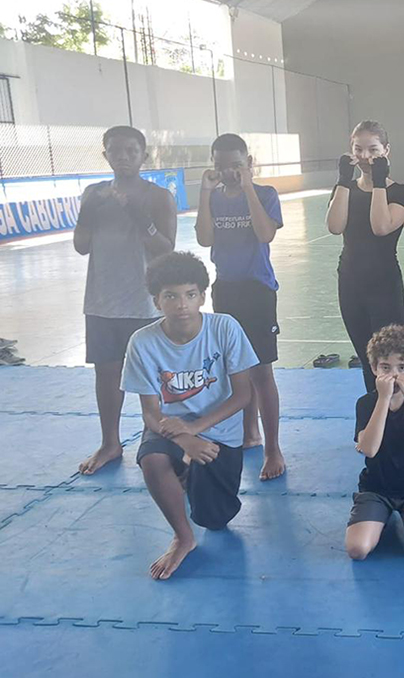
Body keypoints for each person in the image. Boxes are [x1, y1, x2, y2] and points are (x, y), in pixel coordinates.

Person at [121, 252, 258, 579]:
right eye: (171, 296)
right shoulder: (142, 342)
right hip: (169, 429)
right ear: (156, 301)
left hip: (217, 430)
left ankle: (184, 473)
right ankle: (183, 537)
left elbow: (243, 395)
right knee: (152, 459)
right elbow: (150, 413)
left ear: (202, 296)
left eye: (190, 294)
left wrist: (196, 430)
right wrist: (186, 440)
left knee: (216, 519)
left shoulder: (225, 328)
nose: (181, 304)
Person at [75, 125, 177, 476]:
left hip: (145, 302)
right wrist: (88, 213)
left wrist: (139, 217)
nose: (123, 157)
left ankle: (167, 444)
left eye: (131, 151)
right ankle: (110, 442)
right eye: (116, 151)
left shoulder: (158, 197)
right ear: (106, 155)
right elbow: (81, 246)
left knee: (158, 378)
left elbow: (166, 249)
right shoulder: (93, 194)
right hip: (102, 300)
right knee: (106, 372)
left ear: (143, 156)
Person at [196, 133, 286, 481]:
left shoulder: (265, 194)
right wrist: (204, 193)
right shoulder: (214, 198)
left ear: (248, 163)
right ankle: (249, 431)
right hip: (225, 289)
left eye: (236, 165)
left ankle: (273, 447)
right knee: (237, 369)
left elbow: (265, 234)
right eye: (221, 166)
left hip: (258, 289)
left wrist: (248, 187)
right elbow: (205, 238)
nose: (229, 172)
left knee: (261, 371)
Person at [326, 121, 404, 391]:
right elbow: (335, 226)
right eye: (359, 149)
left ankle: (401, 412)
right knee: (368, 361)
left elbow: (381, 227)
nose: (365, 157)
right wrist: (343, 180)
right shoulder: (345, 189)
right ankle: (375, 412)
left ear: (386, 150)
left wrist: (378, 182)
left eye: (373, 149)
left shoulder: (400, 192)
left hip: (384, 285)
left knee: (393, 360)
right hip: (351, 283)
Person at [345, 325, 404, 560]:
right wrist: (383, 398)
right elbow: (369, 449)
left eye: (402, 367)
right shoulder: (366, 403)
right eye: (385, 367)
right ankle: (381, 514)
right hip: (377, 488)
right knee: (358, 549)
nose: (395, 375)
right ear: (374, 369)